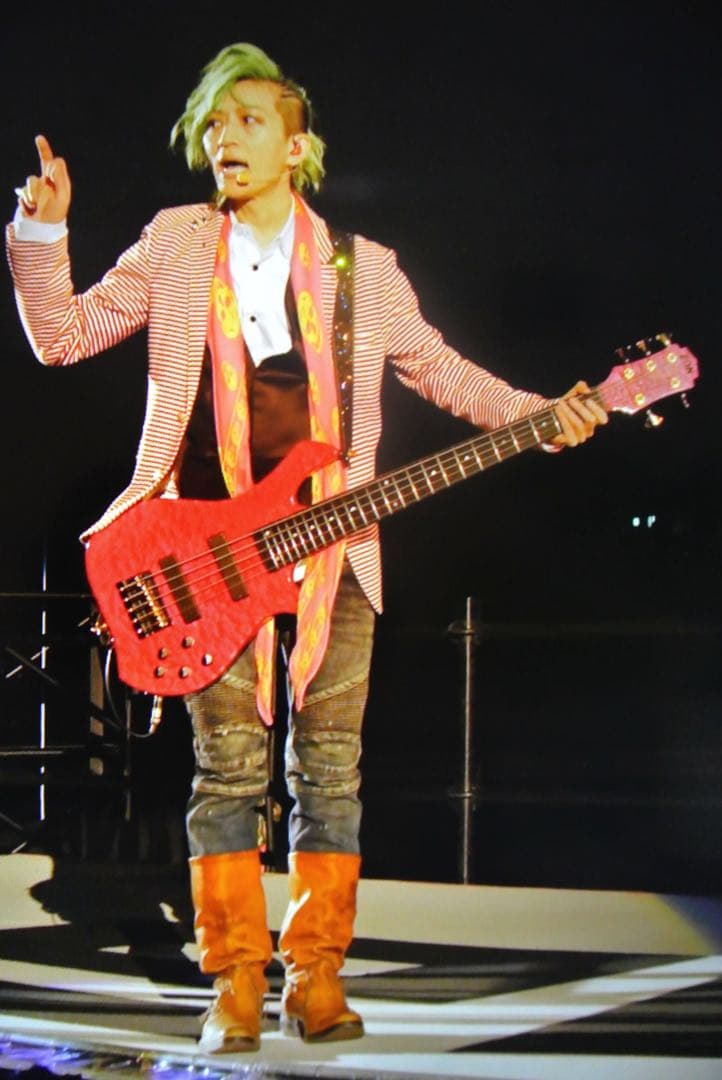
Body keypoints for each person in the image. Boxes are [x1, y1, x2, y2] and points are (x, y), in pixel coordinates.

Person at [7, 43, 606, 1053]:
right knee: (226, 773)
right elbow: (61, 335)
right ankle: (235, 981)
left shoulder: (362, 270)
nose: (224, 137)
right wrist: (43, 228)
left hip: (334, 546)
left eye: (247, 118)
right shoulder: (173, 243)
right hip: (205, 555)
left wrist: (536, 414)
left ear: (296, 145)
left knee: (329, 773)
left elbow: (439, 368)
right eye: (212, 122)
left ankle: (316, 976)